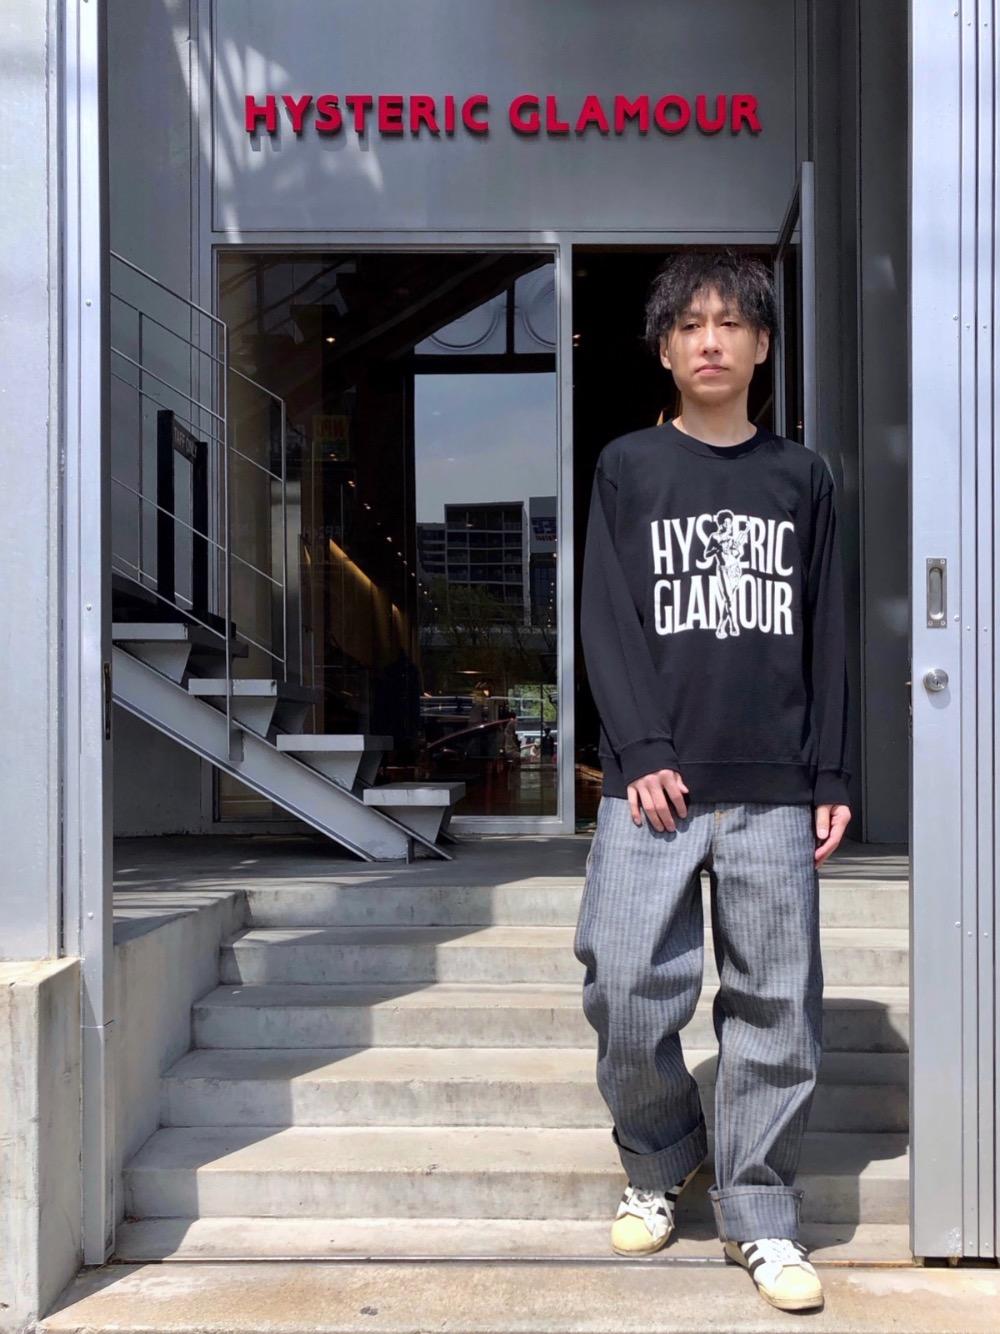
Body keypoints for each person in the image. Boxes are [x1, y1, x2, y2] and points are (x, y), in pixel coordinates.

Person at [574, 250, 851, 1314]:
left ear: (762, 344)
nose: (710, 340)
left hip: (774, 783)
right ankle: (662, 1153)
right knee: (623, 983)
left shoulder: (802, 477)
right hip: (654, 785)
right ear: (664, 347)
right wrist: (641, 748)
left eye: (730, 323)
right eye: (689, 324)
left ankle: (760, 1210)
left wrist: (831, 769)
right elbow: (605, 615)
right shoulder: (630, 466)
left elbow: (827, 630)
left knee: (776, 1003)